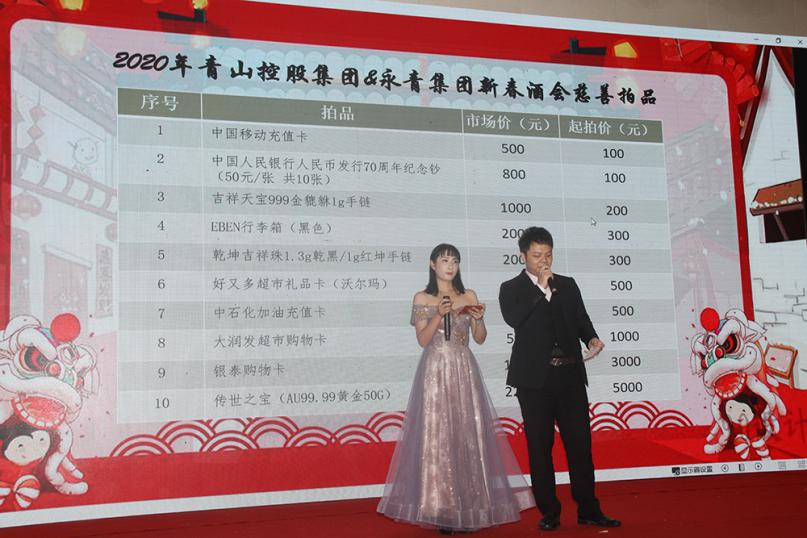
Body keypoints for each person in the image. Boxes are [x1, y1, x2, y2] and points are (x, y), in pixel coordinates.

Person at [378, 243, 534, 534]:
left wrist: (478, 318)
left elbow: (480, 337)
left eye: (455, 261)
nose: (450, 266)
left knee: (468, 435)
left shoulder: (468, 295)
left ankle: (472, 507)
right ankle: (441, 509)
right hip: (436, 369)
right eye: (444, 260)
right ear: (432, 264)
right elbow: (423, 340)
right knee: (438, 436)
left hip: (464, 368)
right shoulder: (422, 297)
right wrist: (439, 314)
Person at [498, 227, 620, 531]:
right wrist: (540, 289)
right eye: (537, 255)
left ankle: (589, 509)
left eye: (548, 255)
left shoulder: (567, 284)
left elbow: (581, 319)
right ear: (523, 256)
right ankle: (550, 512)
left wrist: (592, 339)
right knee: (540, 448)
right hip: (534, 381)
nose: (543, 261)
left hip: (570, 376)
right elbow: (514, 319)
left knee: (580, 446)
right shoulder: (511, 288)